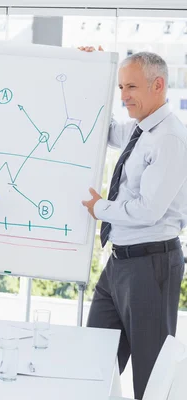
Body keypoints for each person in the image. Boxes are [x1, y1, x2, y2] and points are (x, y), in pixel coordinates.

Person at [80, 48, 187, 399]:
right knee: (93, 361)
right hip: (119, 263)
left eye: (131, 88)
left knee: (150, 377)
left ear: (158, 85)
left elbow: (148, 211)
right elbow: (104, 130)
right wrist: (92, 70)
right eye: (121, 87)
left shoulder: (169, 137)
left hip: (151, 263)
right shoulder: (140, 129)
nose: (124, 97)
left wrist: (101, 209)